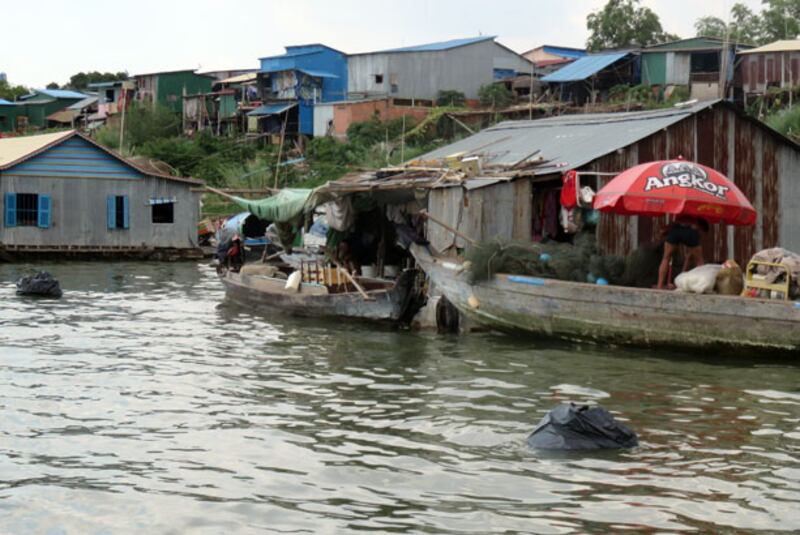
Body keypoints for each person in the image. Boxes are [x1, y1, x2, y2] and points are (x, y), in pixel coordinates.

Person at [657, 216, 708, 289]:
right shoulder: (695, 226)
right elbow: (689, 259)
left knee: (666, 258)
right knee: (699, 260)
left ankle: (659, 285)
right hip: (690, 229)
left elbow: (688, 259)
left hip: (676, 228)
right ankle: (703, 284)